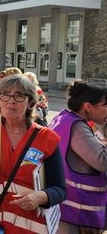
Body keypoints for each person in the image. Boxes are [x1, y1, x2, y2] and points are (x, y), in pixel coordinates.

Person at [0, 74, 67, 233]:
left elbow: (60, 189)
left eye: (19, 95)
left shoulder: (46, 138)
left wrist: (40, 197)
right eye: (5, 95)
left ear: (30, 101)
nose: (10, 100)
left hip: (25, 227)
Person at [49, 80, 107, 233]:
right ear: (88, 107)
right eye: (106, 105)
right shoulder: (78, 127)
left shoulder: (64, 117)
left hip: (66, 208)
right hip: (77, 213)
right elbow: (103, 161)